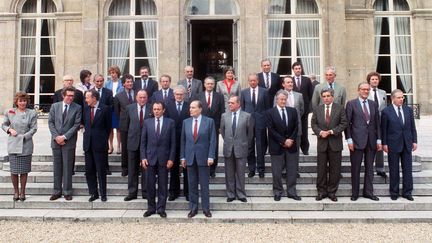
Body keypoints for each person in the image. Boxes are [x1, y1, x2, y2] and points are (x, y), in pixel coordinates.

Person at [345, 82, 381, 201]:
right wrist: (349, 139)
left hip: (371, 141)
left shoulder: (373, 104)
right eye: (363, 89)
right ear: (358, 90)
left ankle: (368, 192)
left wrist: (379, 139)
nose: (366, 91)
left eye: (367, 89)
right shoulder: (351, 104)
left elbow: (377, 123)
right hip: (356, 141)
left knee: (370, 168)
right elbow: (347, 124)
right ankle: (355, 193)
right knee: (355, 168)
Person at [180, 100, 216, 218]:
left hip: (204, 158)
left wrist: (211, 156)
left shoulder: (209, 122)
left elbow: (212, 141)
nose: (190, 109)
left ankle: (206, 209)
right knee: (192, 185)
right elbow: (183, 141)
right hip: (190, 158)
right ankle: (193, 208)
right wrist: (183, 157)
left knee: (204, 185)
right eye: (190, 107)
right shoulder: (186, 122)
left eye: (193, 107)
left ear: (200, 109)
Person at [311, 88, 348, 202]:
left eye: (328, 96)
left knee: (335, 169)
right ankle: (321, 192)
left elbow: (344, 123)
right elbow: (313, 123)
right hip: (322, 143)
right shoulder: (317, 109)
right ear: (322, 97)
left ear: (332, 97)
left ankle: (332, 192)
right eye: (324, 96)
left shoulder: (340, 108)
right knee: (321, 169)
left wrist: (332, 131)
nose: (326, 98)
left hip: (335, 143)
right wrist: (320, 132)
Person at [141, 102, 176, 218]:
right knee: (150, 185)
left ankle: (161, 208)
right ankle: (151, 208)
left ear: (163, 110)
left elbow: (173, 143)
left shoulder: (170, 123)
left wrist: (171, 158)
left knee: (163, 185)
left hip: (164, 159)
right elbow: (143, 142)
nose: (156, 111)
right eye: (155, 109)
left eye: (159, 109)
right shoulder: (147, 122)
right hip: (150, 159)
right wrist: (143, 157)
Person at [381, 89, 417, 201]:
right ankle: (394, 192)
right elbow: (384, 129)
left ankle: (407, 192)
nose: (401, 99)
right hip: (393, 144)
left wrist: (414, 141)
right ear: (392, 98)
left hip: (407, 143)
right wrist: (384, 144)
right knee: (394, 169)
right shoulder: (386, 111)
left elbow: (412, 127)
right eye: (399, 97)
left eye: (402, 97)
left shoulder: (408, 110)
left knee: (407, 169)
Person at [2, 92, 37, 201]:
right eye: (20, 101)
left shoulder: (32, 113)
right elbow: (4, 125)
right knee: (14, 170)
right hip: (13, 144)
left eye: (24, 101)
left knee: (24, 170)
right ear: (16, 102)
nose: (22, 103)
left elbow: (34, 128)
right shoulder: (10, 112)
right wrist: (9, 129)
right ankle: (16, 191)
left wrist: (24, 136)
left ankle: (23, 192)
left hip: (26, 143)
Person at [48, 86, 82, 201]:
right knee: (57, 167)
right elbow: (51, 122)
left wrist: (64, 137)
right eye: (68, 95)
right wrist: (57, 137)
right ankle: (56, 191)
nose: (70, 98)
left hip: (69, 142)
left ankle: (67, 191)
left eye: (72, 96)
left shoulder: (77, 108)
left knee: (67, 168)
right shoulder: (55, 106)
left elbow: (76, 125)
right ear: (63, 95)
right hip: (55, 141)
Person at [266, 90, 300, 201]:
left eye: (285, 99)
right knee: (276, 171)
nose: (283, 101)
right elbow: (271, 130)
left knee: (292, 170)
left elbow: (296, 127)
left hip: (291, 146)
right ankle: (277, 191)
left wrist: (290, 140)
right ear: (277, 100)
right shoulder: (270, 112)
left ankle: (291, 191)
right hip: (276, 146)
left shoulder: (293, 111)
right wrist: (283, 141)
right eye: (281, 99)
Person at [220, 96, 254, 203]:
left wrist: (244, 144)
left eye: (232, 103)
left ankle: (240, 194)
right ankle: (230, 194)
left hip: (241, 148)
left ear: (238, 104)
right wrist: (229, 141)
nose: (229, 105)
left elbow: (250, 134)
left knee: (240, 172)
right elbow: (223, 131)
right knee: (229, 173)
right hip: (228, 148)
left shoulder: (247, 116)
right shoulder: (224, 116)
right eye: (229, 103)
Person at [83, 90, 111, 202]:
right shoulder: (85, 109)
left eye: (87, 98)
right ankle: (93, 193)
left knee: (101, 170)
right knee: (89, 170)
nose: (86, 100)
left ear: (94, 98)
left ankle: (103, 193)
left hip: (100, 144)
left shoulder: (105, 109)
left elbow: (108, 127)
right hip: (88, 144)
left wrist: (103, 140)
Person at [240, 73, 270, 178]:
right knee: (250, 147)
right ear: (248, 81)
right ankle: (251, 169)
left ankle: (261, 169)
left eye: (254, 80)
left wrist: (267, 122)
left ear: (258, 81)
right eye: (251, 81)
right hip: (248, 124)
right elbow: (242, 109)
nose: (252, 82)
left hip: (261, 123)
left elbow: (268, 108)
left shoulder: (264, 92)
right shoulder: (243, 92)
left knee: (261, 147)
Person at [124, 90, 151, 201]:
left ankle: (145, 192)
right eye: (140, 97)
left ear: (147, 98)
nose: (142, 99)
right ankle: (132, 192)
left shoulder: (151, 108)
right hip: (133, 143)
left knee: (146, 169)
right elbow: (126, 126)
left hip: (147, 144)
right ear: (136, 97)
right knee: (132, 169)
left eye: (144, 97)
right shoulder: (129, 108)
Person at [196, 76, 225, 178]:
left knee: (214, 146)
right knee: (202, 146)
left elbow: (222, 112)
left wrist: (221, 126)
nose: (210, 85)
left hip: (215, 126)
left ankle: (212, 169)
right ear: (204, 84)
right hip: (201, 126)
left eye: (212, 84)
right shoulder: (198, 96)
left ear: (214, 85)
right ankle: (202, 167)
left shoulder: (219, 96)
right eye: (208, 83)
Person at [165, 86, 190, 201]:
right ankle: (173, 192)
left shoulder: (189, 106)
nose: (179, 96)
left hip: (186, 141)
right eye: (177, 94)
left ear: (184, 95)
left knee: (187, 168)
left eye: (181, 94)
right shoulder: (168, 106)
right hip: (172, 141)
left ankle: (187, 192)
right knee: (173, 167)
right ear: (174, 95)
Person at [278, 76, 304, 179]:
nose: (290, 84)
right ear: (283, 84)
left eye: (291, 82)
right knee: (283, 149)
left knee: (295, 150)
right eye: (288, 82)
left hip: (295, 127)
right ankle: (283, 169)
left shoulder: (299, 95)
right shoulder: (278, 95)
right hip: (282, 127)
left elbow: (301, 110)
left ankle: (295, 170)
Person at [114, 74, 136, 177]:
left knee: (136, 147)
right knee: (125, 147)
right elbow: (117, 111)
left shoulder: (138, 93)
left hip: (136, 124)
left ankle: (136, 168)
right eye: (128, 82)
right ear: (123, 84)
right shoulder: (118, 96)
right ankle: (125, 168)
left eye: (131, 81)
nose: (130, 83)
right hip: (124, 125)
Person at [367, 72, 388, 178]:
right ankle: (369, 167)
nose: (374, 81)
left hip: (381, 122)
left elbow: (385, 108)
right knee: (370, 145)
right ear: (369, 81)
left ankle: (380, 168)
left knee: (380, 144)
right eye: (372, 79)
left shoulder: (383, 92)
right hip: (370, 122)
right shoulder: (366, 92)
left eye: (376, 79)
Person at [92, 74, 114, 175]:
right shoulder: (89, 92)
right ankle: (93, 168)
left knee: (104, 147)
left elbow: (111, 106)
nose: (99, 83)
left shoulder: (108, 92)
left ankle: (105, 168)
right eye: (97, 81)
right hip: (93, 123)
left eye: (101, 81)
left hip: (104, 123)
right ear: (94, 81)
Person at [292, 62, 314, 155]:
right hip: (293, 110)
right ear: (293, 70)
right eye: (296, 68)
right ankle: (294, 148)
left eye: (299, 68)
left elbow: (310, 94)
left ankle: (305, 148)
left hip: (304, 110)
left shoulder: (307, 80)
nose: (298, 70)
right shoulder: (290, 80)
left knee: (304, 130)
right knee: (293, 129)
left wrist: (308, 108)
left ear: (301, 69)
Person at [104, 65, 123, 154]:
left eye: (114, 73)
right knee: (110, 128)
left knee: (118, 128)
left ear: (118, 73)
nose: (113, 75)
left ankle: (119, 146)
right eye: (111, 73)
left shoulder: (121, 83)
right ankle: (110, 146)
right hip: (110, 107)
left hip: (119, 107)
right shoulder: (107, 83)